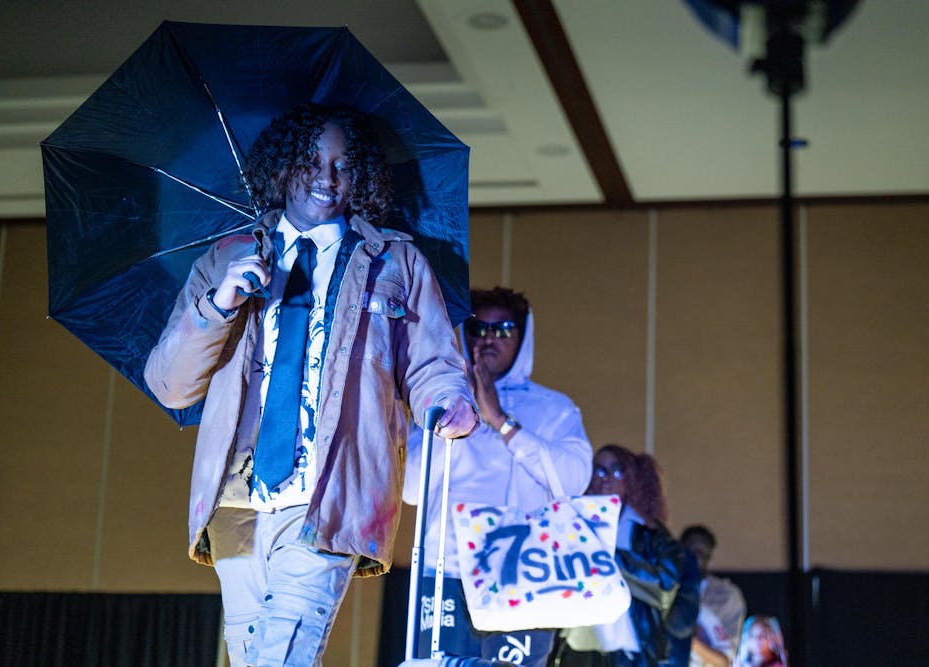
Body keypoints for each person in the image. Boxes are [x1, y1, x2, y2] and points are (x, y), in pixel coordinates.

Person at [144, 103, 477, 667]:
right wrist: (219, 303)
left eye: (343, 165)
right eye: (310, 161)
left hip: (334, 492)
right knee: (253, 658)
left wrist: (448, 401)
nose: (326, 177)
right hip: (236, 498)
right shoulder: (227, 258)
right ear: (281, 168)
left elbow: (432, 364)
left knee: (285, 653)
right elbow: (171, 386)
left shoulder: (393, 261)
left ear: (362, 176)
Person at [403, 286, 592, 666]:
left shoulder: (555, 408)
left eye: (503, 330)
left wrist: (501, 422)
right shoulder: (437, 404)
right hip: (448, 570)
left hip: (526, 574)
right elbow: (409, 488)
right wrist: (458, 412)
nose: (488, 339)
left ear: (523, 337)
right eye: (478, 328)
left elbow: (575, 481)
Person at [555, 444, 700, 667]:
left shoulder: (651, 534)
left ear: (631, 479)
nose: (606, 478)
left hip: (632, 651)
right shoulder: (569, 523)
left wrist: (607, 555)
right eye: (599, 470)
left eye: (616, 470)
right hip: (578, 648)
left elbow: (664, 587)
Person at [681, 525, 746, 667]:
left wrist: (690, 640)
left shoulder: (727, 596)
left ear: (710, 556)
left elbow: (724, 659)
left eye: (702, 552)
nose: (697, 557)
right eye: (692, 550)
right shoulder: (667, 589)